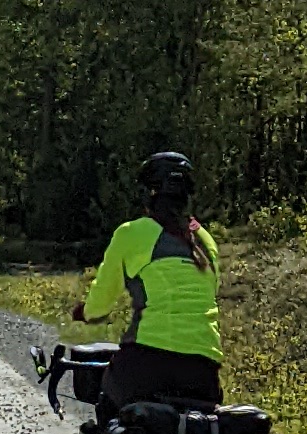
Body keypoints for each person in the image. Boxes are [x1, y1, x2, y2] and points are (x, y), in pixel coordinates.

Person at [73, 149, 222, 406]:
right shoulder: (205, 240)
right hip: (204, 369)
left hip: (148, 361)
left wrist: (86, 312)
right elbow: (210, 291)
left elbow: (102, 300)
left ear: (147, 194)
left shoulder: (132, 233)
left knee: (107, 401)